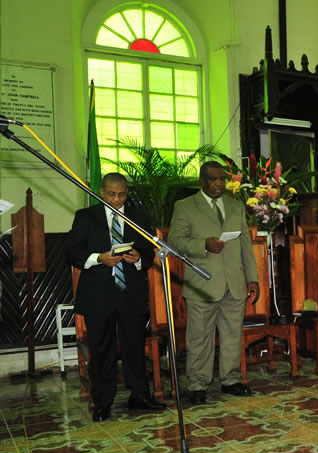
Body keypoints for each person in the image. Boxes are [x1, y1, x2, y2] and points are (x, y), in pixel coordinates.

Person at [66, 173, 163, 422]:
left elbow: (149, 252)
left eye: (121, 194)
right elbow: (73, 252)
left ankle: (139, 395)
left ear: (127, 192)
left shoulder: (138, 217)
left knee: (134, 347)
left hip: (130, 293)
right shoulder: (86, 217)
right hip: (98, 294)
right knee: (101, 351)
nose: (117, 199)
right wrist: (100, 258)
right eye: (112, 194)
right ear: (102, 192)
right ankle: (103, 402)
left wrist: (139, 258)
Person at [167, 161, 259, 404]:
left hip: (234, 283)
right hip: (202, 284)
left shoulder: (235, 205)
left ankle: (231, 380)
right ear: (202, 180)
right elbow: (175, 241)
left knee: (232, 335)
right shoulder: (185, 206)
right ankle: (197, 385)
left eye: (221, 179)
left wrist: (253, 279)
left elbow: (246, 246)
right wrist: (202, 245)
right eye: (213, 179)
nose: (218, 184)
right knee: (200, 337)